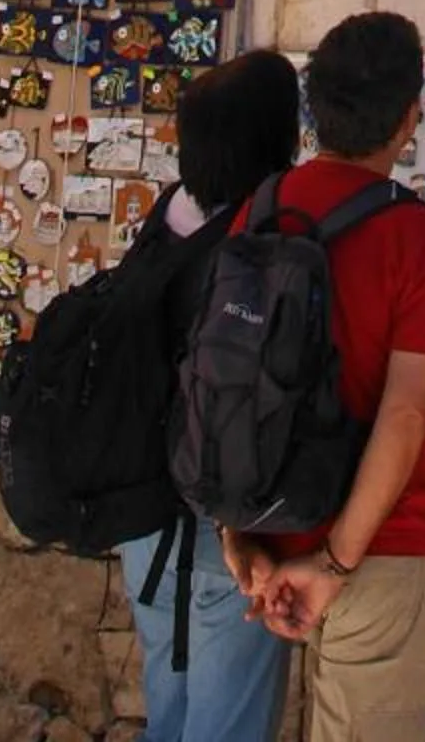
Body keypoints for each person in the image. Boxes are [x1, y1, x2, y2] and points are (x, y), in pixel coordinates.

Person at [227, 12, 425, 742]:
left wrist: (236, 535)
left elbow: (222, 380)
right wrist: (334, 565)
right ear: (408, 119)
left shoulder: (260, 211)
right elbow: (404, 415)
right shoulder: (415, 236)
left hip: (276, 532)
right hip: (379, 552)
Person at [118, 46, 304, 742]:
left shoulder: (162, 224)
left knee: (169, 707)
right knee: (228, 721)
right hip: (225, 529)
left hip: (145, 521)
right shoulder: (257, 249)